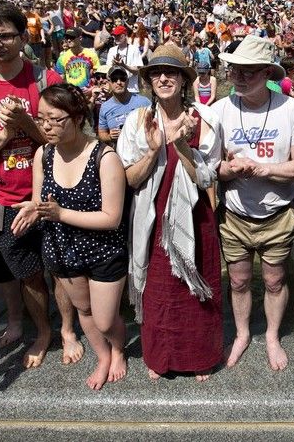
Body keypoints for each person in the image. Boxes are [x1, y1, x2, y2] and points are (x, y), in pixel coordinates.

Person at [0, 0, 77, 369]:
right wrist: (7, 133)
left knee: (62, 269)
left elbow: (65, 141)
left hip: (53, 193)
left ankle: (68, 329)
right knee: (27, 273)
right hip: (4, 198)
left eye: (5, 35)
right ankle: (41, 330)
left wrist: (26, 122)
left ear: (23, 37)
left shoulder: (47, 81)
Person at [11, 84, 129, 390]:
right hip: (62, 250)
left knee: (105, 319)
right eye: (40, 119)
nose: (46, 126)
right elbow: (40, 202)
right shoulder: (43, 154)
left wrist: (60, 213)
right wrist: (32, 210)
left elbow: (111, 218)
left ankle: (117, 348)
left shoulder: (105, 157)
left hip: (103, 251)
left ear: (77, 117)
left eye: (55, 119)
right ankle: (102, 356)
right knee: (84, 311)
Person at [116, 44, 223, 381]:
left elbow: (207, 178)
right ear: (149, 81)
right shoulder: (137, 120)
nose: (163, 78)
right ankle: (160, 356)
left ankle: (200, 356)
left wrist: (182, 147)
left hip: (194, 216)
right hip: (152, 217)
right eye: (156, 73)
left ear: (182, 79)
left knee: (195, 289)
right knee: (159, 291)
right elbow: (129, 179)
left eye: (171, 72)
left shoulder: (203, 119)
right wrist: (151, 152)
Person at [213, 35, 294, 371]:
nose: (238, 77)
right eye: (234, 70)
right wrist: (229, 169)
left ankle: (271, 335)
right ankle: (240, 333)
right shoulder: (219, 110)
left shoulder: (292, 109)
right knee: (238, 280)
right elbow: (210, 168)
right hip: (235, 214)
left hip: (277, 213)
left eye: (249, 72)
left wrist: (264, 168)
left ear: (267, 72)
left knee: (274, 280)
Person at [96, 67, 150, 146]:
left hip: (143, 149)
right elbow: (101, 133)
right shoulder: (105, 107)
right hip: (119, 152)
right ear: (109, 83)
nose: (119, 82)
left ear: (127, 81)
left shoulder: (144, 102)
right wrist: (109, 137)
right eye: (114, 79)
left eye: (122, 78)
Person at [104, 25, 145, 94]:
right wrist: (114, 66)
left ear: (125, 35)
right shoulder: (112, 50)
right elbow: (107, 73)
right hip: (116, 90)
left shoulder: (134, 49)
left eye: (119, 35)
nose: (116, 38)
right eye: (115, 36)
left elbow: (137, 71)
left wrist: (123, 65)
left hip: (131, 89)